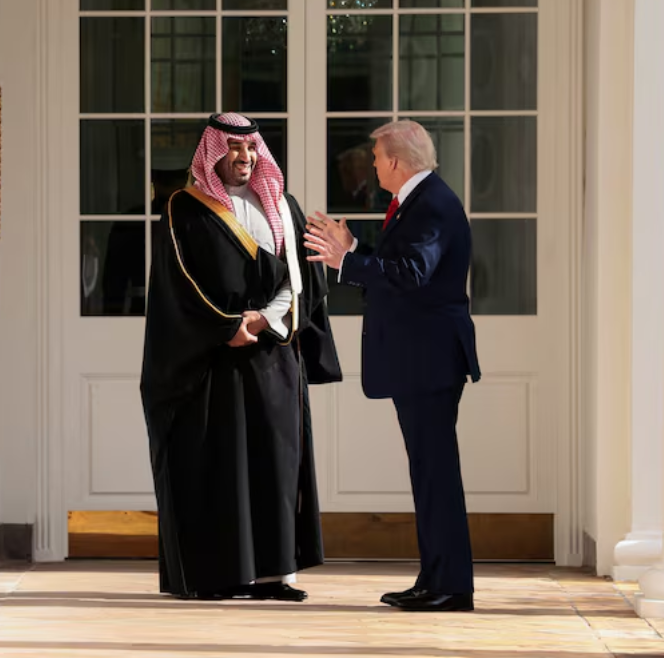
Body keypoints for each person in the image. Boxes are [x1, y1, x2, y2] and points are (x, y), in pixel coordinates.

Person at [140, 112, 342, 602]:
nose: (244, 158)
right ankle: (219, 575)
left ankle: (276, 576)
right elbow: (179, 286)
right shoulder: (184, 210)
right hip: (211, 362)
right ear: (213, 154)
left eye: (251, 149)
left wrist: (266, 320)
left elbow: (304, 277)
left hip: (272, 357)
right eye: (233, 150)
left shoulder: (284, 207)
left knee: (275, 465)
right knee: (218, 467)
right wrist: (228, 326)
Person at [303, 119, 481, 613]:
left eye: (378, 156)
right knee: (429, 472)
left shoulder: (432, 205)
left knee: (435, 473)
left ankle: (449, 586)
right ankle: (436, 578)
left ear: (397, 161)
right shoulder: (417, 202)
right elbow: (402, 267)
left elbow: (410, 275)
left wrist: (344, 261)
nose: (374, 163)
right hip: (421, 360)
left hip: (429, 361)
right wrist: (356, 250)